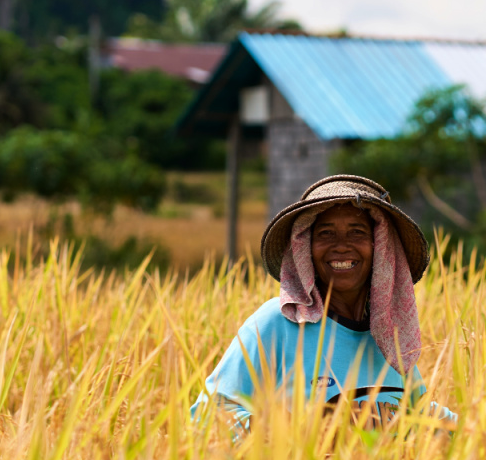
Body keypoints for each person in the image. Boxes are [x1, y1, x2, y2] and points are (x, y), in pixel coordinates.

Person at [190, 174, 456, 431]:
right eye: (326, 233)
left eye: (357, 232)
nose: (341, 246)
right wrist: (295, 433)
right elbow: (208, 414)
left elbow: (422, 417)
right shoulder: (278, 323)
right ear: (305, 250)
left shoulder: (391, 335)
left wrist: (482, 433)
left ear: (381, 248)